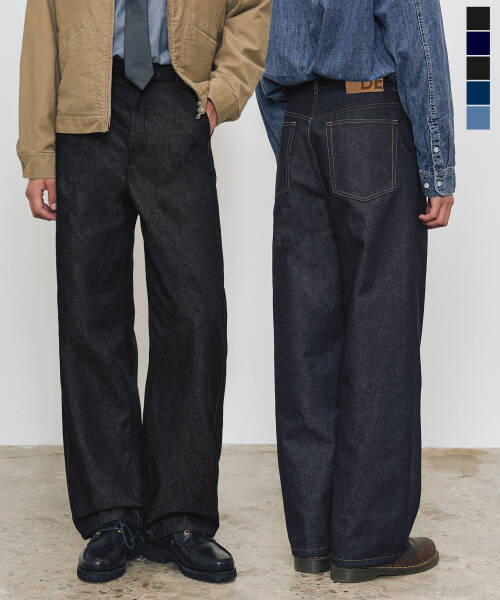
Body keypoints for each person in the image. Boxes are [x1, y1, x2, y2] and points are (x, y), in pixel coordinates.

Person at [17, 0, 271, 584]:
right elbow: (41, 35)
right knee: (90, 317)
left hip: (177, 100)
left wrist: (218, 98)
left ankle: (181, 516)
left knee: (194, 314)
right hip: (84, 113)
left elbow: (252, 8)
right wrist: (38, 151)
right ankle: (111, 515)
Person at [257, 0, 454, 583]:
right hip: (372, 126)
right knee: (381, 339)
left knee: (305, 341)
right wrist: (438, 167)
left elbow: (262, 48)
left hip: (299, 125)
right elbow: (418, 41)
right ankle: (367, 544)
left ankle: (313, 539)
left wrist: (296, 140)